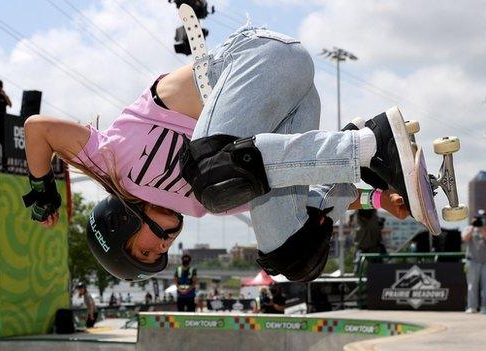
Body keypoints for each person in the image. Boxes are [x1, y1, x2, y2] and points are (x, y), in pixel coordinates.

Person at [22, 26, 411, 284]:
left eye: (146, 248)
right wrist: (379, 199)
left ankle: (372, 145)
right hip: (293, 103)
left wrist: (42, 190)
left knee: (212, 174)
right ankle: (364, 153)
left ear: (120, 223)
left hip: (258, 58)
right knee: (289, 254)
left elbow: (39, 129)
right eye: (159, 253)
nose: (163, 246)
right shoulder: (204, 205)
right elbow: (296, 186)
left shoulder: (113, 163)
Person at [462, 215, 486, 314]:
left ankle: (484, 307)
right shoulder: (468, 228)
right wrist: (473, 227)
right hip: (471, 261)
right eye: (476, 219)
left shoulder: (484, 228)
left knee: (485, 286)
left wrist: (482, 229)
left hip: (485, 261)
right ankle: (472, 307)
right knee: (472, 285)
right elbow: (465, 238)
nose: (478, 221)